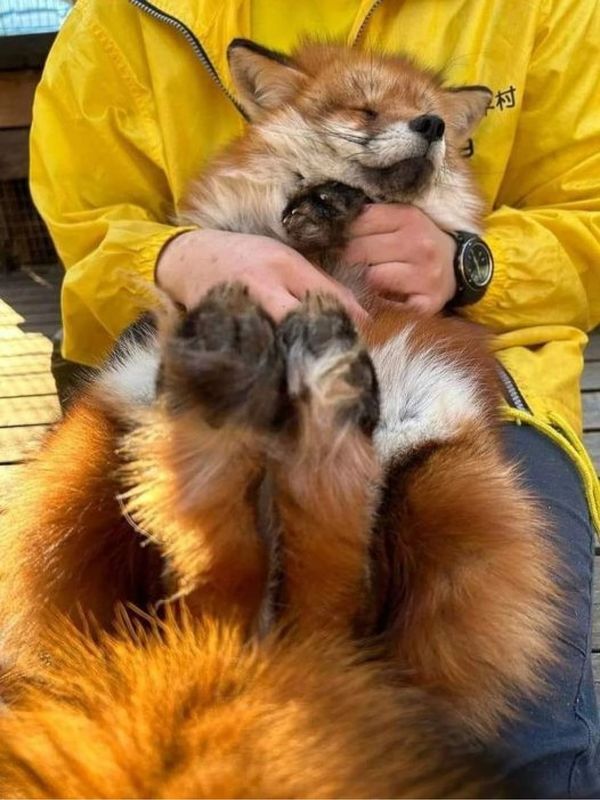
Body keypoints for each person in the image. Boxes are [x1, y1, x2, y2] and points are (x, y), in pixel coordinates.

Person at [29, 0, 600, 795]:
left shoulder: (544, 11)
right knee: (60, 689)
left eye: (432, 124)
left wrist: (470, 262)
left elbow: (588, 217)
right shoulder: (125, 20)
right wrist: (179, 253)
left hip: (476, 380)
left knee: (530, 749)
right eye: (367, 112)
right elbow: (87, 228)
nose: (418, 129)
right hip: (197, 341)